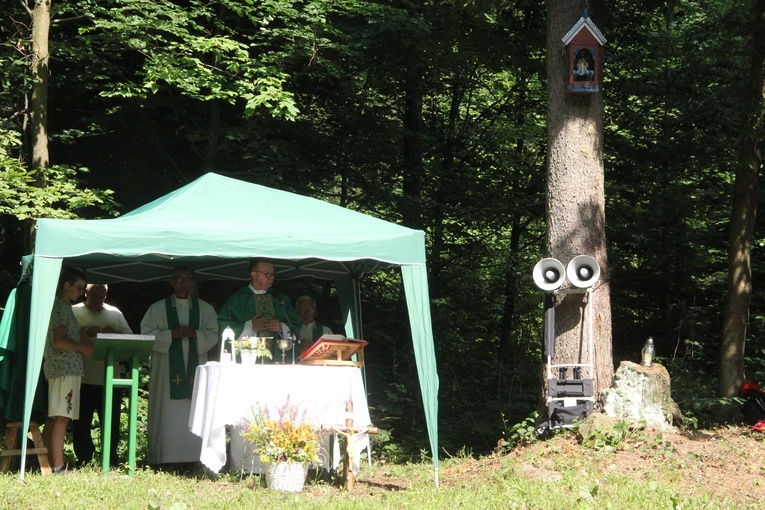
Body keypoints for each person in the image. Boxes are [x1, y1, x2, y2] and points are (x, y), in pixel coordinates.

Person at [140, 267, 218, 469]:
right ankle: (166, 457)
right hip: (167, 368)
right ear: (171, 282)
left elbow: (213, 334)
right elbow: (146, 333)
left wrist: (196, 334)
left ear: (192, 282)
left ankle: (195, 456)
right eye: (179, 279)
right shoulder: (157, 309)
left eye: (187, 279)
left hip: (195, 367)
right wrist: (169, 335)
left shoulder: (205, 309)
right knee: (168, 412)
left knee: (194, 407)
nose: (184, 283)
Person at [72, 283, 132, 467]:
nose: (98, 299)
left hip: (109, 377)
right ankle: (83, 459)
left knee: (111, 422)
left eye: (102, 296)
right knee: (81, 422)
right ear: (85, 293)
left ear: (106, 295)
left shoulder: (115, 314)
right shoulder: (73, 311)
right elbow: (63, 338)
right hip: (82, 377)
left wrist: (110, 334)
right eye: (94, 295)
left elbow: (130, 337)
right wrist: (84, 334)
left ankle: (110, 459)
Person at [42, 267, 94, 474]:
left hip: (62, 368)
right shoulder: (61, 307)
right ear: (66, 285)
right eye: (79, 288)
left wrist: (79, 339)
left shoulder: (62, 307)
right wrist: (82, 347)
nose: (81, 293)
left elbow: (63, 338)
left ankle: (45, 462)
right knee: (62, 417)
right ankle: (58, 466)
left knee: (56, 416)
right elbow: (59, 340)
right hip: (64, 369)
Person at [218, 258, 301, 361]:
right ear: (254, 275)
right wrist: (250, 326)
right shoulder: (237, 300)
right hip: (247, 361)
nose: (271, 278)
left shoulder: (279, 299)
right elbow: (224, 328)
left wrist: (282, 327)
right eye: (267, 274)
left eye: (272, 274)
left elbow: (296, 326)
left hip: (277, 360)